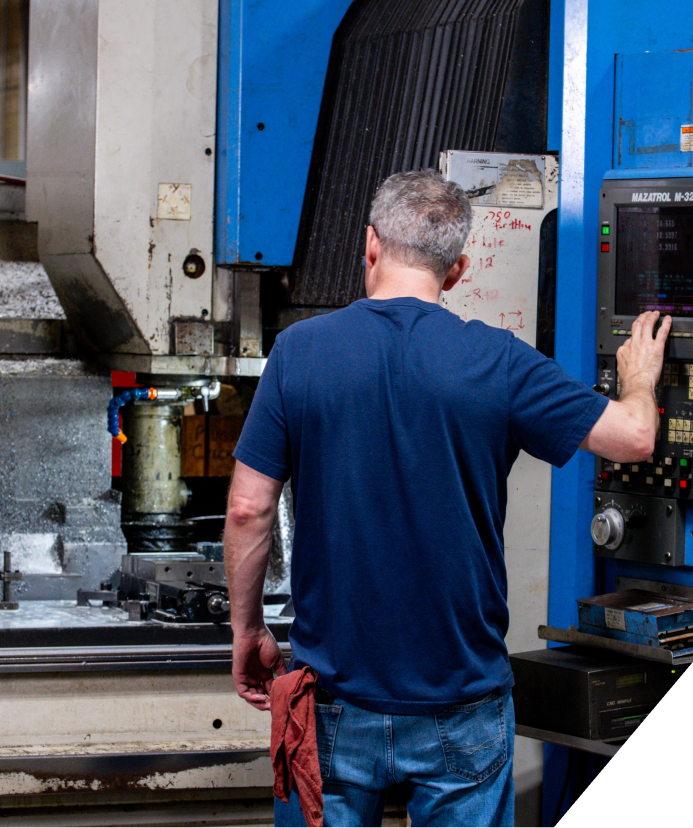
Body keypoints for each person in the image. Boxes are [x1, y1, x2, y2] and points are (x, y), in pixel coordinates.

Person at [223, 169, 670, 828]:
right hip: (462, 700)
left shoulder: (299, 354)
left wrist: (247, 628)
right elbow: (633, 438)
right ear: (456, 269)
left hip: (335, 700)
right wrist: (637, 380)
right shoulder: (501, 362)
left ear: (369, 246)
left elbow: (247, 508)